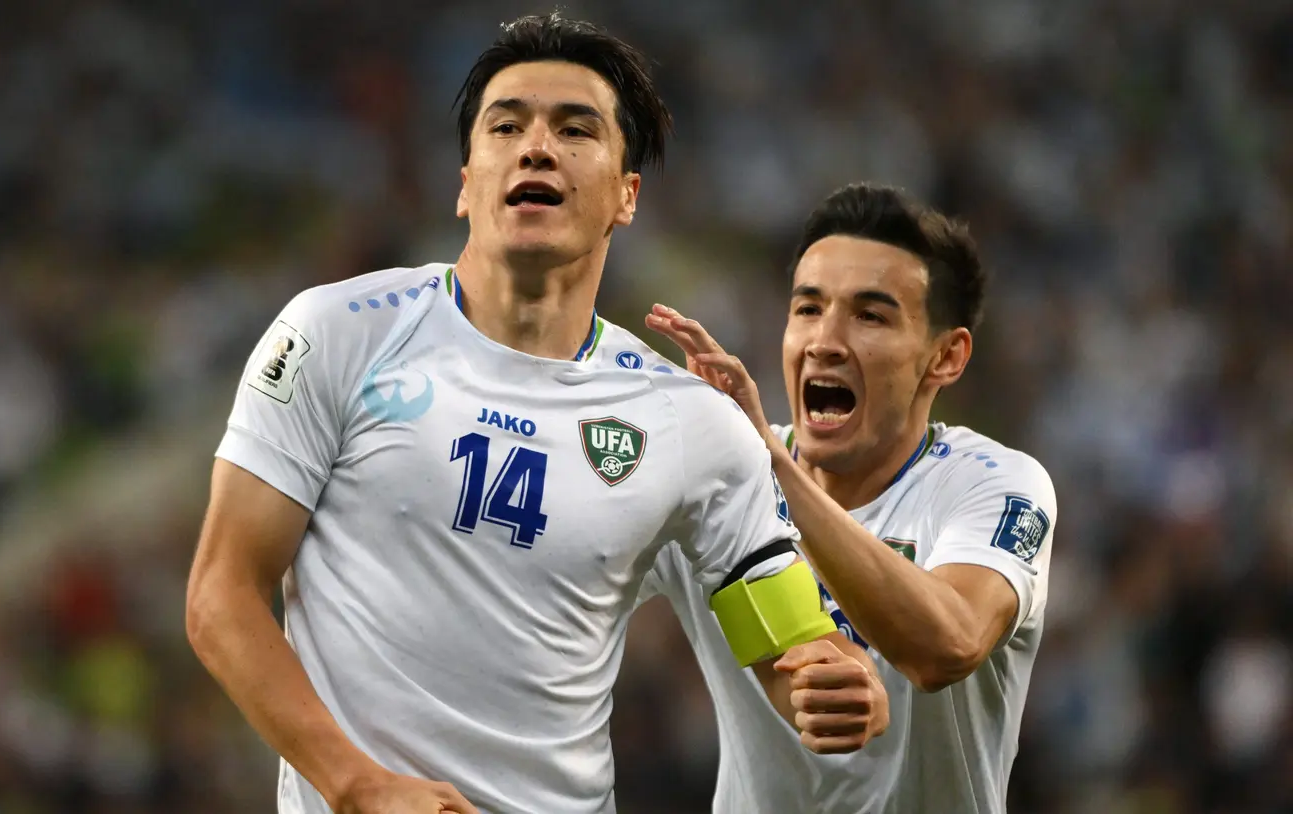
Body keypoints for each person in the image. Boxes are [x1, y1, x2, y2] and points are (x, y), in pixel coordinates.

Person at [184, 14, 881, 814]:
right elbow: (221, 597)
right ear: (465, 182)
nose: (537, 147)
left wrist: (835, 684)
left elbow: (793, 649)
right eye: (506, 125)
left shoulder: (690, 422)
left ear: (626, 196)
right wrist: (356, 783)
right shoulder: (337, 333)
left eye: (575, 130)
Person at [640, 182, 1058, 813]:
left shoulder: (993, 485)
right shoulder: (717, 481)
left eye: (870, 316)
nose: (825, 341)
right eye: (808, 309)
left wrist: (770, 466)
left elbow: (946, 646)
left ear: (946, 357)